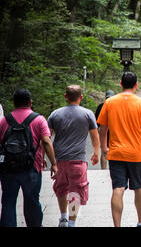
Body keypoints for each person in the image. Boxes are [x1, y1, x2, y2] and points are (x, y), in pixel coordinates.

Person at [97, 72, 141, 227]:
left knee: (118, 188)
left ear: (120, 83)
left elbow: (102, 129)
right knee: (138, 188)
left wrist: (104, 148)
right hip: (137, 155)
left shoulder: (109, 103)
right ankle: (140, 222)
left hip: (116, 153)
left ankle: (117, 225)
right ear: (136, 85)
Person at [0, 88, 58, 227]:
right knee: (31, 200)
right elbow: (46, 141)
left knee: (8, 200)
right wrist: (54, 164)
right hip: (31, 166)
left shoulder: (3, 121)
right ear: (31, 102)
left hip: (8, 167)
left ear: (14, 103)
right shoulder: (38, 119)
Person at [47, 85, 100, 227]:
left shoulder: (55, 114)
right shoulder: (88, 114)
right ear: (81, 97)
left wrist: (46, 158)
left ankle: (63, 217)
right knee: (76, 191)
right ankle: (71, 222)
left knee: (61, 188)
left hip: (59, 160)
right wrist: (96, 153)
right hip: (78, 160)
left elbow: (46, 138)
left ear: (66, 96)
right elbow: (95, 136)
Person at [95, 90, 115, 170]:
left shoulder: (100, 106)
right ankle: (112, 169)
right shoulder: (116, 106)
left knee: (104, 152)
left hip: (103, 132)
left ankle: (103, 170)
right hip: (113, 131)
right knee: (112, 151)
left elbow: (96, 120)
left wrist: (97, 130)